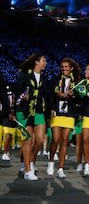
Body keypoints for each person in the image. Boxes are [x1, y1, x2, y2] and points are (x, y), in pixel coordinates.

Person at [14, 53, 54, 181]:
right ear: (36, 62)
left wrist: (51, 108)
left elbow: (47, 95)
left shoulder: (44, 77)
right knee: (28, 140)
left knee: (40, 140)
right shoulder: (24, 75)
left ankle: (30, 160)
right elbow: (17, 92)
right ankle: (27, 170)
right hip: (24, 111)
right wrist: (23, 96)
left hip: (38, 112)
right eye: (44, 60)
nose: (45, 63)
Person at [47, 57, 83, 178]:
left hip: (70, 113)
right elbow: (49, 95)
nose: (64, 69)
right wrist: (52, 105)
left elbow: (80, 99)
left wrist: (74, 95)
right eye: (62, 67)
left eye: (66, 67)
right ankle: (51, 161)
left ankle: (61, 168)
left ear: (71, 68)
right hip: (57, 112)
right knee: (55, 139)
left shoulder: (77, 81)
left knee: (65, 141)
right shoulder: (55, 79)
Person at [0, 72, 13, 161]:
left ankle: (6, 152)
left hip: (8, 113)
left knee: (10, 135)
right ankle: (5, 152)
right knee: (7, 134)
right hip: (6, 113)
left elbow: (5, 98)